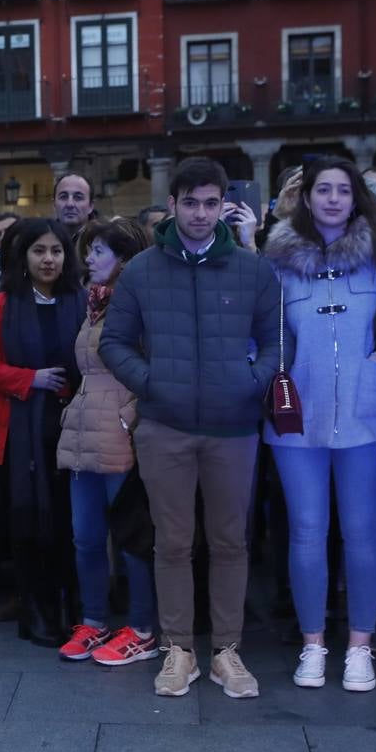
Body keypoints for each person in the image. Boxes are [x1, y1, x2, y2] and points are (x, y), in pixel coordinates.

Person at [99, 156, 281, 700]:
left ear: (222, 204)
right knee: (171, 543)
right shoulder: (142, 270)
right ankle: (178, 649)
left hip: (233, 427)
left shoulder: (253, 269)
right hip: (165, 426)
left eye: (211, 203)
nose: (201, 214)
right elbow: (113, 342)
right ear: (172, 204)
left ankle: (226, 651)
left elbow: (276, 340)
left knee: (230, 542)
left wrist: (251, 381)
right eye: (190, 202)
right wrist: (153, 383)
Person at [262, 157, 376, 692]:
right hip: (298, 418)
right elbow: (262, 333)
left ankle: (360, 647)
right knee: (306, 531)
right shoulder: (276, 260)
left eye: (344, 190)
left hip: (366, 413)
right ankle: (313, 643)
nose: (334, 199)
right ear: (308, 196)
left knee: (363, 532)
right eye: (325, 189)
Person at [0, 218, 86, 647]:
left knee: (69, 524)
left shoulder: (82, 300)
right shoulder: (3, 304)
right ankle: (35, 610)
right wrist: (27, 379)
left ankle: (74, 609)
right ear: (24, 257)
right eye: (39, 251)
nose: (49, 259)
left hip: (74, 429)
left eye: (56, 251)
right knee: (28, 524)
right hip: (21, 433)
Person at [52, 219, 159, 665]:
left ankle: (143, 627)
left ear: (125, 259)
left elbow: (153, 369)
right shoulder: (93, 304)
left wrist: (126, 419)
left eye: (99, 251)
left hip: (119, 436)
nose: (89, 259)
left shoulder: (141, 306)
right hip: (82, 433)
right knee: (86, 537)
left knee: (132, 537)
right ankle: (94, 621)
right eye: (89, 250)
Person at [53, 173, 95, 243]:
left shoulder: (106, 242)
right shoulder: (42, 241)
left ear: (90, 206)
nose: (70, 204)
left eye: (78, 197)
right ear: (54, 204)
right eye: (63, 197)